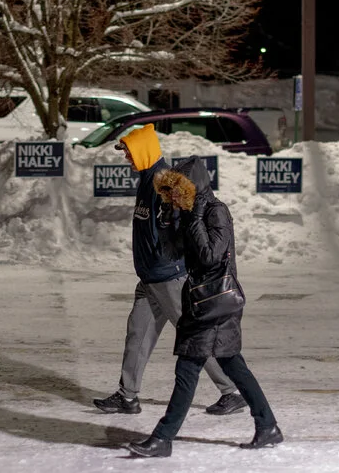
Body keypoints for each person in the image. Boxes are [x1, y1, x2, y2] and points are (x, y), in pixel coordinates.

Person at [125, 156, 282, 458]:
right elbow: (175, 254)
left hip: (215, 303)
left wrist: (194, 219)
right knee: (234, 366)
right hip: (201, 302)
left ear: (192, 186)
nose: (173, 196)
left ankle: (162, 437)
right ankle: (268, 425)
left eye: (177, 190)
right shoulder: (187, 213)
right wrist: (168, 225)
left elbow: (210, 256)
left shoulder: (215, 212)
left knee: (187, 372)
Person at [93, 124, 248, 416]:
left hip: (169, 278)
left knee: (197, 336)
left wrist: (170, 261)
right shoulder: (146, 179)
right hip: (150, 278)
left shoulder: (163, 181)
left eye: (128, 151)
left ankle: (232, 391)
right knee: (137, 335)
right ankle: (127, 396)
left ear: (142, 150)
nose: (125, 156)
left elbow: (177, 226)